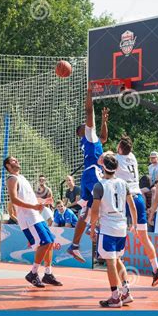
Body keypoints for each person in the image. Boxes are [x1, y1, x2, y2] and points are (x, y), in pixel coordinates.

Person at [4, 156, 62, 287]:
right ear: (8, 166)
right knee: (45, 242)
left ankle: (48, 274)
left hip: (35, 215)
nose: (17, 160)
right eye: (13, 160)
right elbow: (14, 200)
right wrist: (33, 207)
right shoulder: (11, 179)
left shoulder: (22, 178)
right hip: (28, 218)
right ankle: (33, 273)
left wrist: (42, 202)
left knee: (51, 241)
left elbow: (30, 198)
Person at [114, 135, 158, 285]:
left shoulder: (117, 159)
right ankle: (156, 269)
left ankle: (119, 265)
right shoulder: (133, 157)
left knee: (117, 232)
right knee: (144, 238)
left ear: (120, 148)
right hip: (139, 199)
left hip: (127, 199)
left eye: (118, 145)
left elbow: (102, 160)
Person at [67, 83, 109, 263]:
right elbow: (88, 110)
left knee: (86, 210)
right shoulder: (88, 135)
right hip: (93, 174)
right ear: (82, 130)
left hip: (88, 174)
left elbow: (104, 138)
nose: (88, 124)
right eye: (86, 125)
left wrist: (104, 121)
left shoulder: (89, 140)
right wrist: (89, 92)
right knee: (105, 201)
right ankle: (98, 235)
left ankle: (74, 246)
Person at [89, 153, 138, 308]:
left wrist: (91, 227)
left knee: (110, 262)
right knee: (117, 260)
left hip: (108, 227)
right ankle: (126, 292)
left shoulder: (100, 185)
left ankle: (115, 297)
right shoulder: (124, 183)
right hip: (122, 226)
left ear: (103, 166)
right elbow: (132, 206)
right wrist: (134, 224)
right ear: (116, 168)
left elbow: (95, 210)